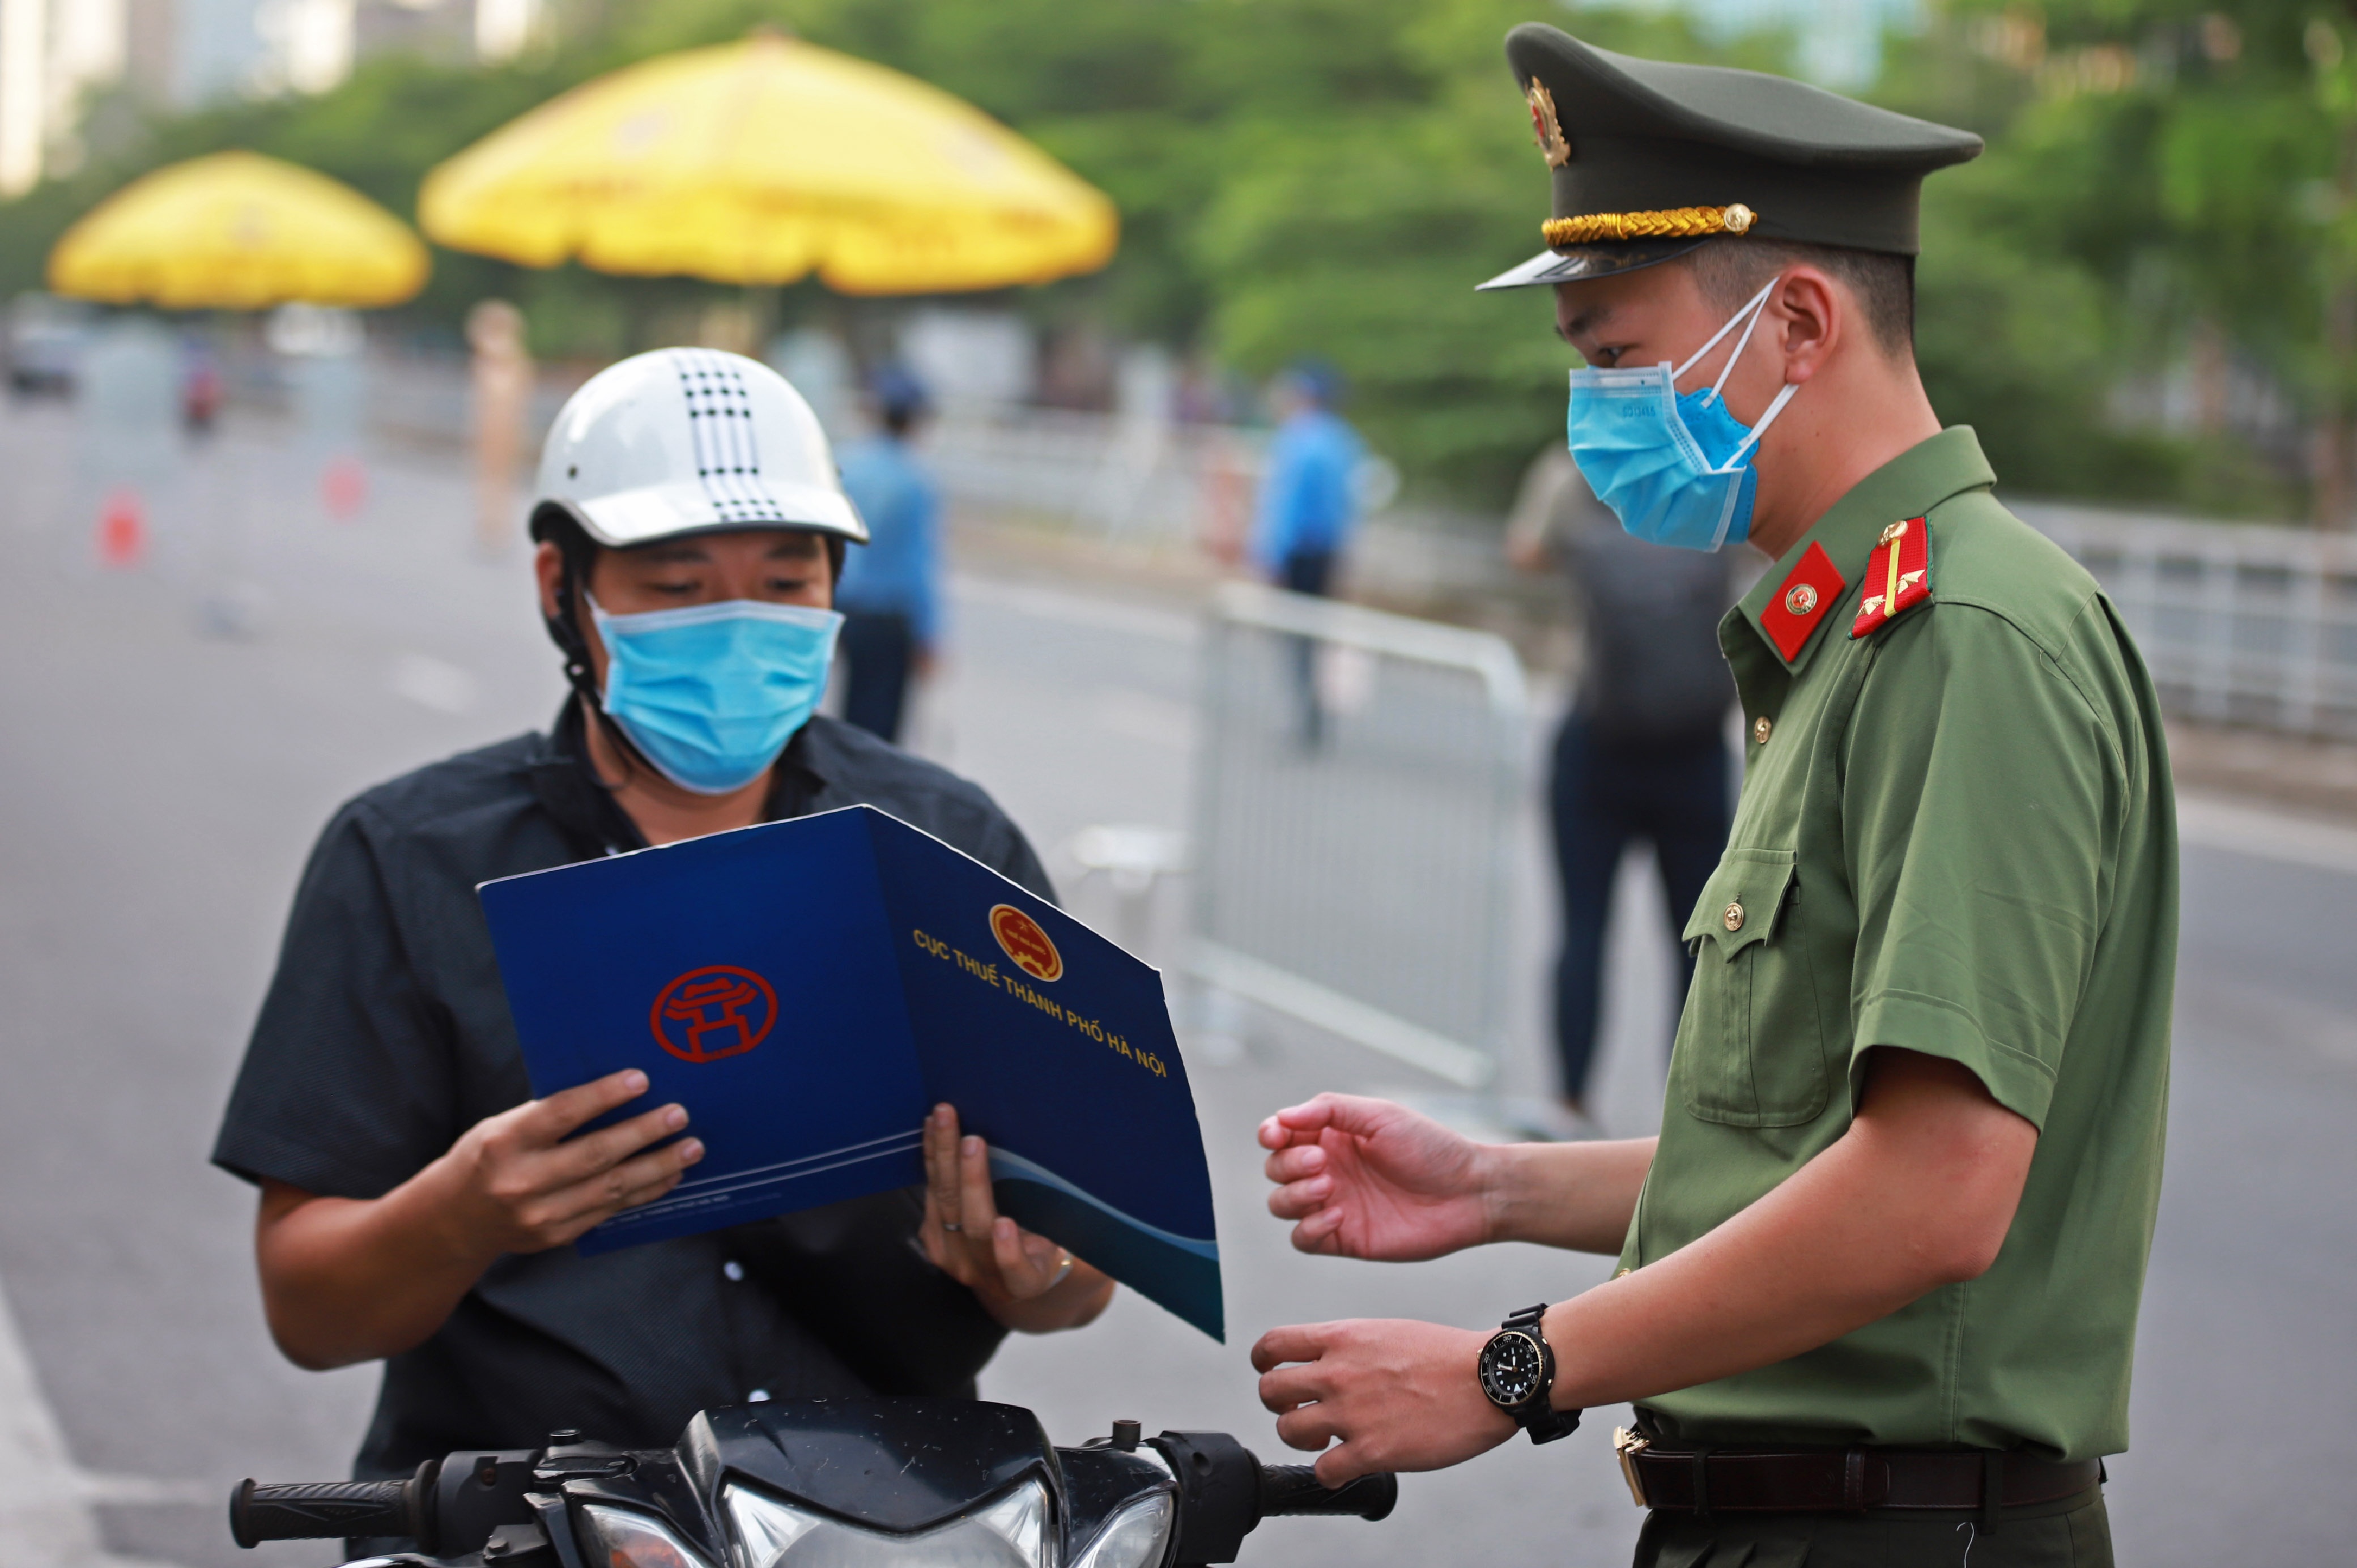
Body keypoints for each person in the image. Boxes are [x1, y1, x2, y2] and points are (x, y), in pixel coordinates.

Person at [1249, 27, 2172, 1568]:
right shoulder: (1851, 636)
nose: (1595, 410)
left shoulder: (1963, 636)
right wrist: (1494, 1186)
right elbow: (1809, 1147)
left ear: (1798, 320)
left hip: (1894, 1537)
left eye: (1619, 360)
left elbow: (1933, 1192)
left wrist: (1510, 1368)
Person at [212, 348, 1113, 1488]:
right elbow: (308, 1309)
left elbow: (1082, 1270)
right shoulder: (408, 859)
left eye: (784, 584)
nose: (736, 629)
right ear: (562, 588)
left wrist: (1035, 1274)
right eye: (679, 588)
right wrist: (459, 1214)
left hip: (891, 1516)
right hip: (518, 1518)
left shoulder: (947, 847)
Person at [1507, 447, 1735, 1119]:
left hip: (1596, 733)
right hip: (1694, 744)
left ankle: (1571, 1100)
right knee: (1697, 942)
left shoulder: (1576, 468)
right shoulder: (1716, 465)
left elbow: (1525, 552)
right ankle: (1688, 1117)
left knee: (1582, 929)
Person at [1251, 363, 1364, 746]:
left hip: (1298, 554)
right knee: (1317, 636)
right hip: (1328, 553)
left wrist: (1271, 557)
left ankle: (1305, 714)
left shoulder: (1298, 438)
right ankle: (1315, 712)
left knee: (1297, 636)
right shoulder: (1341, 440)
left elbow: (1284, 507)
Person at [833, 365, 943, 744]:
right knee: (880, 728)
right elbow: (919, 564)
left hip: (844, 607)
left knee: (848, 715)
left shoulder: (847, 467)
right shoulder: (913, 480)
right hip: (889, 618)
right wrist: (930, 633)